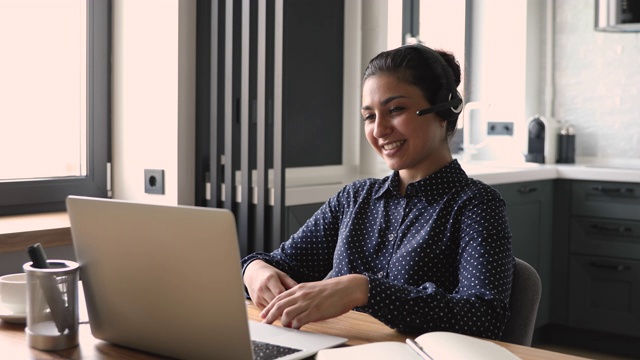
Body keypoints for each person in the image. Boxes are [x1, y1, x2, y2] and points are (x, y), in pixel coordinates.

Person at [241, 44, 514, 340]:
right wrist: (253, 269)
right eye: (369, 116)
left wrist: (364, 290)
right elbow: (281, 263)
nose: (379, 129)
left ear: (443, 111)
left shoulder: (476, 205)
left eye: (395, 110)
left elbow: (485, 316)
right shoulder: (354, 199)